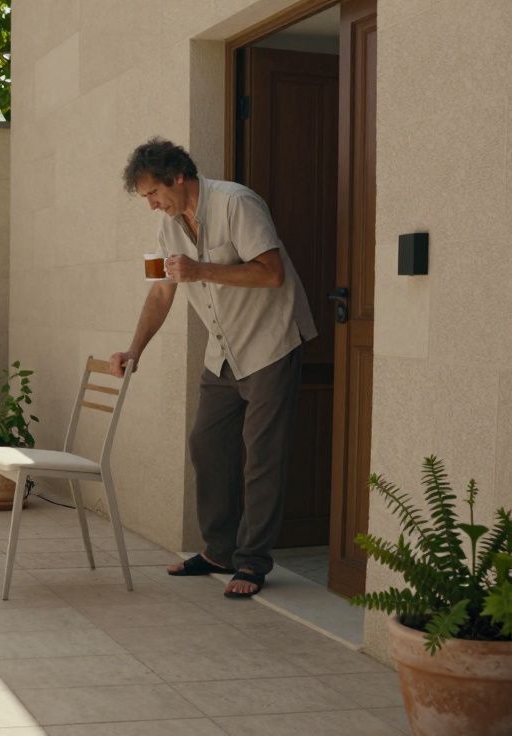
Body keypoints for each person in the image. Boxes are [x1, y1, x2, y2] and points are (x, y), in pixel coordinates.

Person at [108, 137, 317, 598]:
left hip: (271, 343)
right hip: (222, 352)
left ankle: (253, 561)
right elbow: (162, 291)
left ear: (177, 177)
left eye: (152, 195)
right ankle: (219, 549)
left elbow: (271, 272)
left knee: (262, 456)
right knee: (207, 443)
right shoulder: (169, 228)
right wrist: (134, 351)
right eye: (145, 198)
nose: (151, 206)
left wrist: (201, 270)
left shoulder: (236, 203)